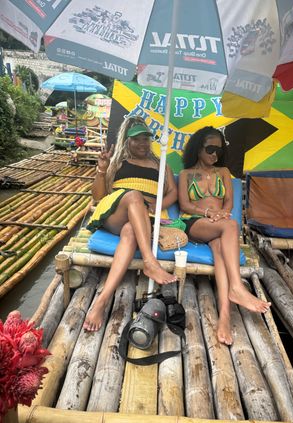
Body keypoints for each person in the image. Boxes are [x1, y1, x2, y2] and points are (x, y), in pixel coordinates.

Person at [178, 126, 270, 345]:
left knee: (220, 247)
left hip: (218, 224)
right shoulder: (186, 174)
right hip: (195, 223)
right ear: (198, 147)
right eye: (210, 149)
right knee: (231, 226)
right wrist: (209, 213)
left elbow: (229, 200)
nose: (214, 154)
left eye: (219, 150)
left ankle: (225, 317)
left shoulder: (223, 172)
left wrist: (222, 213)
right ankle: (237, 287)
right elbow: (185, 205)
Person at [84, 116, 177, 332]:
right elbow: (98, 196)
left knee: (130, 231)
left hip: (142, 218)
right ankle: (150, 262)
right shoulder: (117, 163)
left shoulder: (160, 164)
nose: (143, 144)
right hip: (116, 211)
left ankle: (101, 301)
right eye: (137, 140)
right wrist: (101, 169)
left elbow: (173, 191)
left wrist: (158, 205)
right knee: (134, 196)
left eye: (146, 139)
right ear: (127, 142)